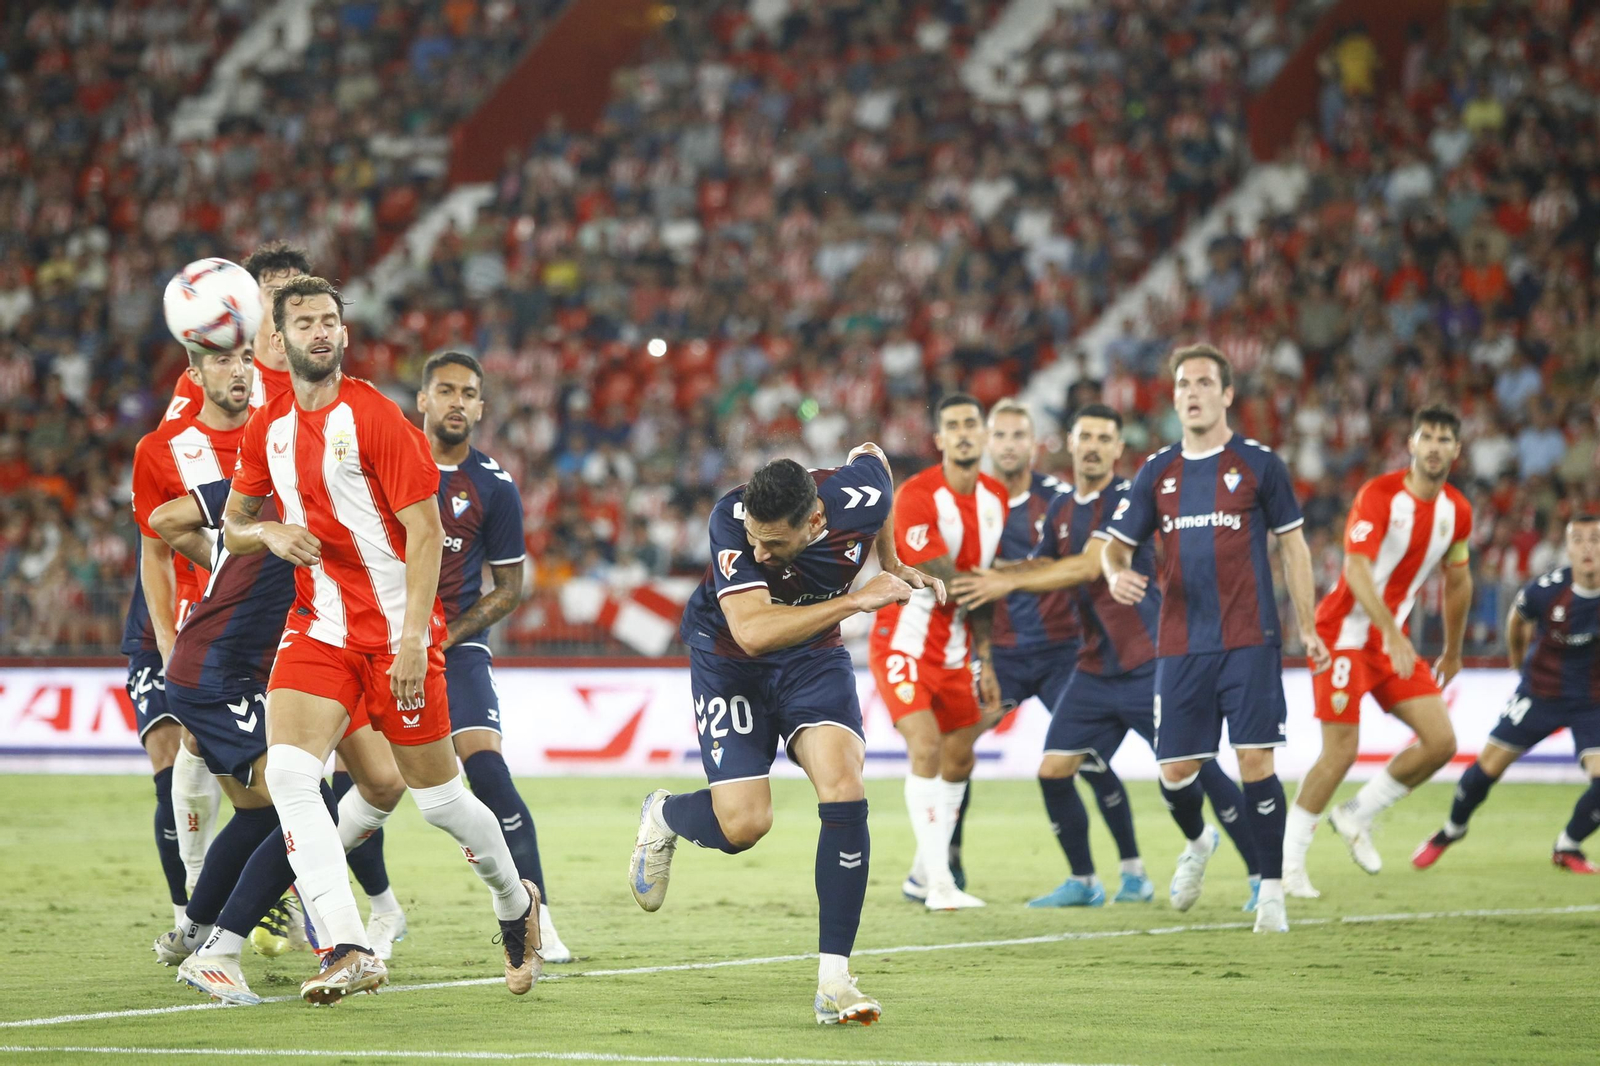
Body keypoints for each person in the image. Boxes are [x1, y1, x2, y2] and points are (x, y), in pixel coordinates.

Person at [222, 276, 539, 1004]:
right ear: (278, 337)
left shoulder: (375, 418)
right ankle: (346, 944)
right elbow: (234, 526)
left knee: (440, 801)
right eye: (304, 322)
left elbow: (427, 533)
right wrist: (266, 530)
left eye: (331, 320)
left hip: (396, 635)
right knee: (293, 778)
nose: (321, 332)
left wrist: (410, 642)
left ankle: (515, 902)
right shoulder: (265, 425)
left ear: (344, 332)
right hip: (317, 629)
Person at [627, 444, 940, 1025]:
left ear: (817, 520)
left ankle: (835, 980)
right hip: (728, 662)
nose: (757, 550)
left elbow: (875, 461)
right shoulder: (730, 518)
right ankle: (665, 815)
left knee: (844, 784)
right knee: (745, 824)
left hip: (812, 659)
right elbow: (751, 632)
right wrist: (858, 598)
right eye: (755, 536)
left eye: (773, 543)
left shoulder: (858, 497)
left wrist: (890, 561)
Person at [954, 405, 1259, 908]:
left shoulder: (1128, 497)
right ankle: (1085, 881)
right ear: (1070, 445)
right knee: (1054, 771)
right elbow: (1041, 567)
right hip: (1094, 670)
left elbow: (1087, 565)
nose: (1094, 446)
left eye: (1104, 438)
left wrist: (1001, 580)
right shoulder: (1060, 510)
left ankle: (1260, 876)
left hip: (1148, 662)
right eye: (1086, 437)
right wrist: (971, 572)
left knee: (1196, 765)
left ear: (1118, 449)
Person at [1099, 344, 1330, 934]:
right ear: (1175, 397)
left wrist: (1308, 623)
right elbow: (1116, 547)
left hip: (1251, 639)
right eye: (1183, 384)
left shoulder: (1258, 464)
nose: (1192, 392)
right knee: (1176, 772)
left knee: (1255, 761)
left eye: (1205, 382)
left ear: (1227, 394)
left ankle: (1272, 893)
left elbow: (1294, 546)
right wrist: (1115, 573)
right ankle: (1200, 842)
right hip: (1179, 644)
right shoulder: (1156, 471)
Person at [416, 350, 571, 962]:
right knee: (357, 789)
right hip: (377, 641)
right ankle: (375, 915)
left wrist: (448, 635)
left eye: (469, 393)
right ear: (423, 400)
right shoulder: (385, 465)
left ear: (481, 407)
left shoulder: (494, 486)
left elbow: (510, 587)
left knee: (488, 776)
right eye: (446, 390)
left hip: (455, 648)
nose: (457, 401)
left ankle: (540, 920)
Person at [1283, 405, 1473, 897]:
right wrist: (1391, 629)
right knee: (1340, 752)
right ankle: (1286, 867)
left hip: (1388, 639)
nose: (1434, 447)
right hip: (1343, 633)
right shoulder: (1380, 495)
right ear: (1411, 444)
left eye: (1444, 439)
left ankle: (1356, 814)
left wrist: (1453, 651)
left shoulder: (1457, 512)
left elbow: (1459, 580)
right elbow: (1356, 570)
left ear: (1457, 450)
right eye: (1426, 437)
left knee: (1441, 743)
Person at [127, 315, 252, 925]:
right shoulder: (165, 447)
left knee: (283, 781)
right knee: (175, 758)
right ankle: (190, 914)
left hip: (252, 629)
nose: (239, 369)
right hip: (174, 627)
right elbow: (154, 550)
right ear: (195, 371)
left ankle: (269, 902)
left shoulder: (276, 435)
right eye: (225, 359)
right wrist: (170, 641)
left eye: (246, 358)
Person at [868, 394, 1004, 911]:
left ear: (983, 435)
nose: (965, 432)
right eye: (954, 425)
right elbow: (944, 577)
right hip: (903, 642)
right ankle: (941, 887)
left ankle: (922, 873)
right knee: (924, 747)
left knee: (959, 757)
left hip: (954, 651)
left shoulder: (995, 500)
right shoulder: (917, 494)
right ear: (940, 439)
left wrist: (985, 657)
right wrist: (1011, 581)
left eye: (973, 423)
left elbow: (982, 597)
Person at [1413, 514, 1600, 875]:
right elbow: (1517, 621)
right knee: (1487, 769)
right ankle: (1451, 830)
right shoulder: (1546, 590)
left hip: (1591, 701)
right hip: (1540, 692)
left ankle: (1568, 845)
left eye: (1595, 538)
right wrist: (1518, 663)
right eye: (1578, 539)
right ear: (1567, 547)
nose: (1588, 547)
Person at [947, 398, 1076, 892]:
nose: (1007, 444)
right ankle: (945, 862)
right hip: (997, 652)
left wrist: (1003, 574)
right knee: (955, 747)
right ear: (985, 443)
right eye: (998, 436)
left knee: (1087, 750)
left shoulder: (1059, 499)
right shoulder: (965, 501)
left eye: (1017, 435)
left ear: (1034, 443)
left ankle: (1128, 868)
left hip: (1062, 649)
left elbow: (1080, 562)